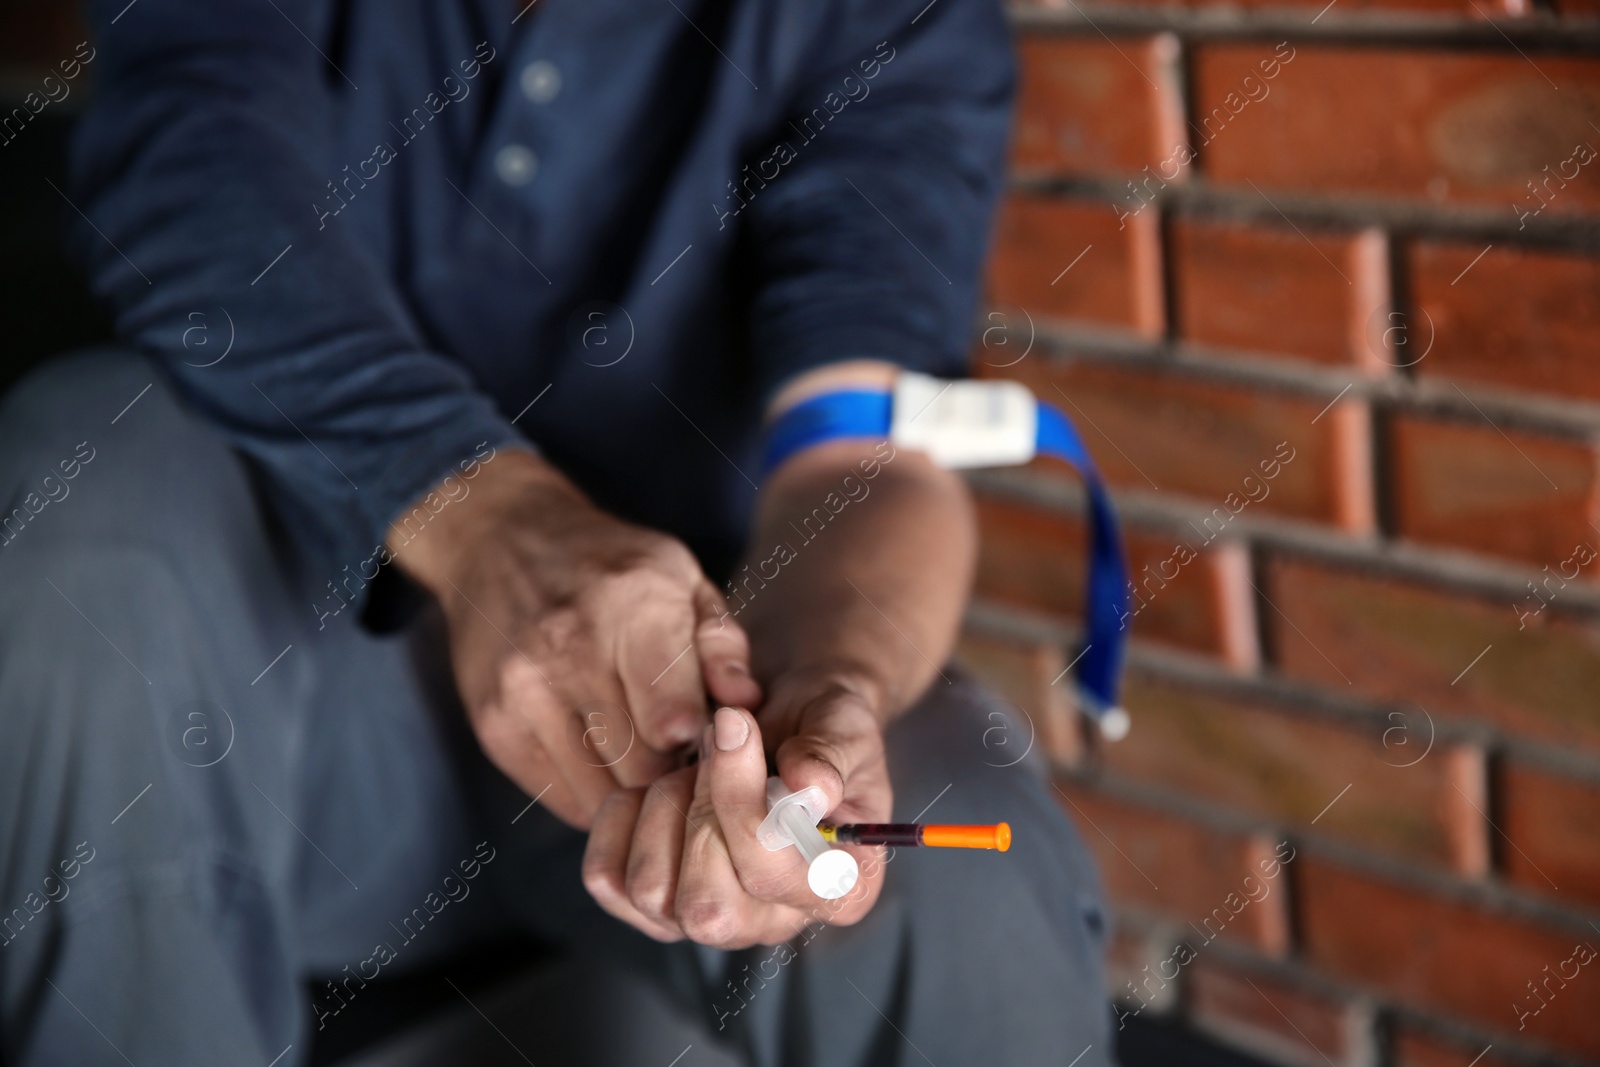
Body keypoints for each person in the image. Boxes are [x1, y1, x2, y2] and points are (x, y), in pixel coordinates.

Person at [0, 0, 1114, 1063]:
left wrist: (822, 695)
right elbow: (197, 191)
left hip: (681, 722)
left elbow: (863, 447)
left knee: (962, 862)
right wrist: (489, 524)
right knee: (90, 477)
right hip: (274, 707)